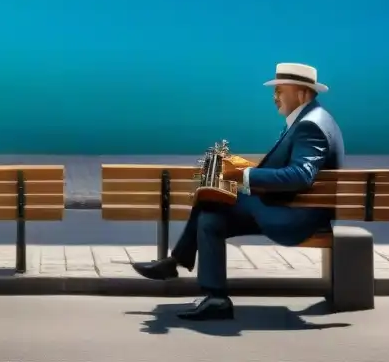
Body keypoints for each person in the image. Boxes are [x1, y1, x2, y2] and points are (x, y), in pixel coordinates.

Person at [131, 62, 345, 321]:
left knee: (212, 197)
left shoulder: (309, 126)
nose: (274, 97)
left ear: (301, 93)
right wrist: (245, 170)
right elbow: (292, 170)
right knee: (211, 218)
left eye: (280, 90)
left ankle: (175, 262)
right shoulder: (311, 119)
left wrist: (242, 176)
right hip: (289, 208)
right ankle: (215, 298)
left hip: (294, 218)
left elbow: (300, 176)